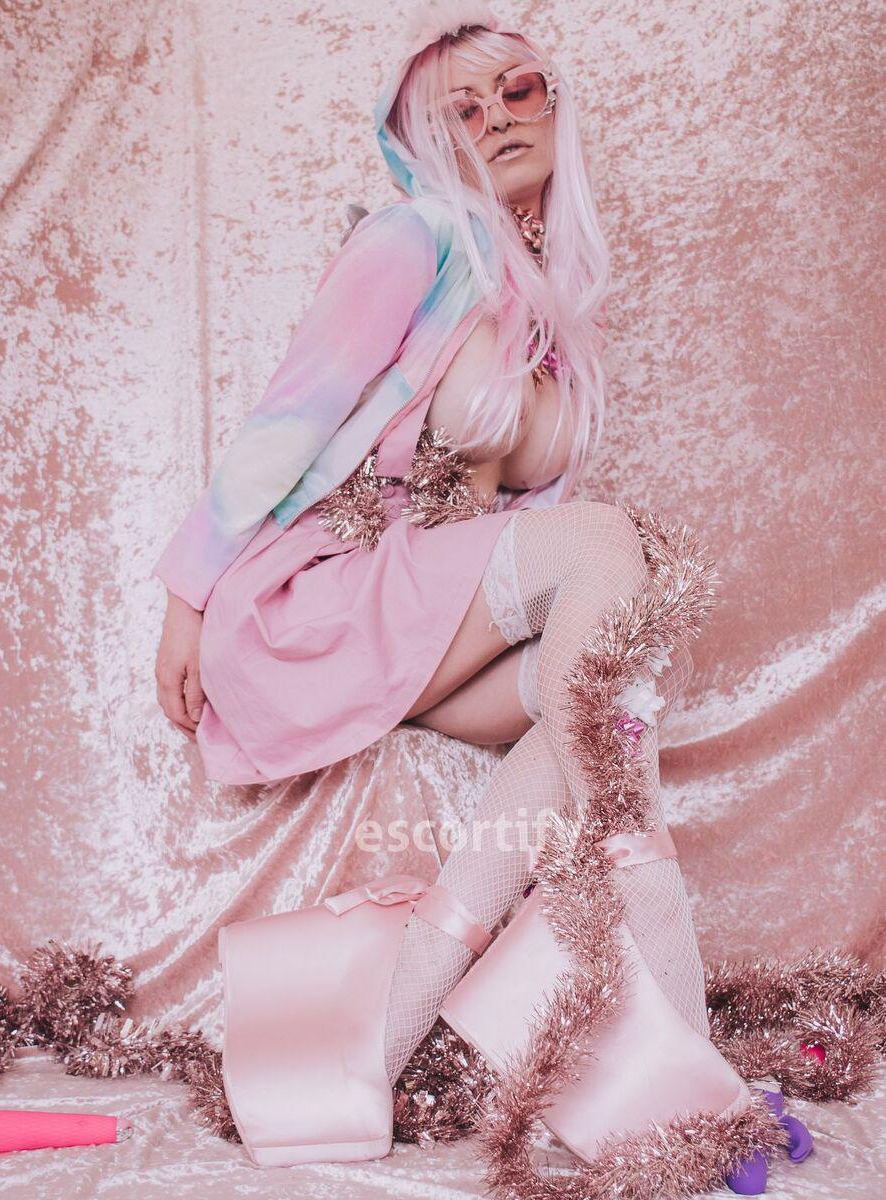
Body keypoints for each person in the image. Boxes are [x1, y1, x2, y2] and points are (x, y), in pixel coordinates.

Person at [155, 3, 791, 1194]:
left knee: (609, 681)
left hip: (428, 619)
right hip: (324, 605)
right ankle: (684, 1036)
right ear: (427, 139)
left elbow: (512, 529)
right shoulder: (413, 238)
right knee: (606, 555)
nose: (497, 117)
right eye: (462, 107)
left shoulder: (549, 297)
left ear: (557, 103)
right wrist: (188, 598)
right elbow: (289, 417)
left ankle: (382, 1049)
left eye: (519, 89)